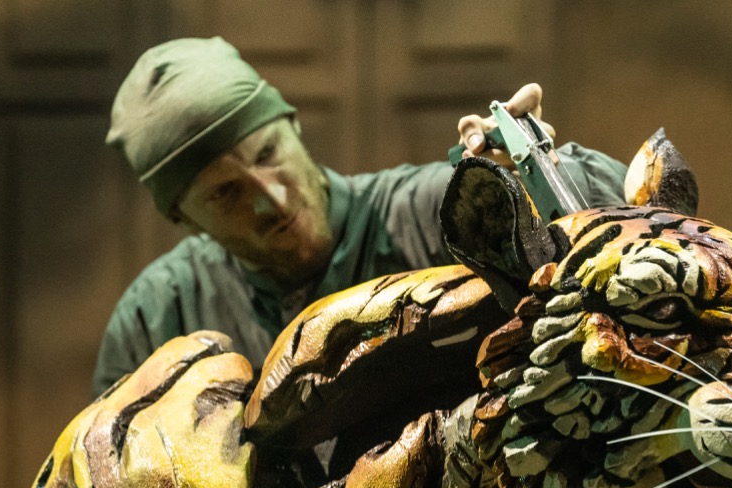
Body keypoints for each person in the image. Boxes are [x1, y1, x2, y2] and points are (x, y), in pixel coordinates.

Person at [91, 36, 628, 396]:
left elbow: (629, 224)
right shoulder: (157, 319)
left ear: (294, 124)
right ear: (181, 217)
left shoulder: (433, 212)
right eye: (226, 194)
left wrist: (542, 175)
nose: (272, 199)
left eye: (267, 154)